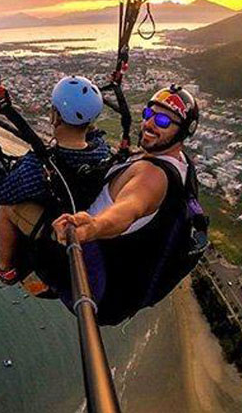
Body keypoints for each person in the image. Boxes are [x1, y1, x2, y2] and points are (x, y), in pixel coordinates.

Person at [50, 84, 205, 325]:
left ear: (183, 133)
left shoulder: (152, 177)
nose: (149, 124)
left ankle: (9, 268)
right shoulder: (180, 163)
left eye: (163, 121)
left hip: (94, 282)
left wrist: (93, 227)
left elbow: (129, 209)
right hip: (118, 291)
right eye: (148, 114)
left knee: (15, 206)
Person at [0, 76, 111, 284]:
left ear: (55, 118)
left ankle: (5, 268)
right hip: (78, 215)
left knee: (5, 205)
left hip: (56, 228)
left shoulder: (39, 168)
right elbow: (92, 135)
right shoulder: (101, 150)